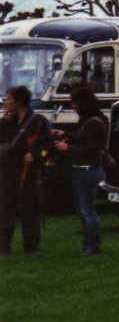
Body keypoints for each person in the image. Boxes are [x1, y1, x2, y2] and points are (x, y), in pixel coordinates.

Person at [52, 85, 107, 255]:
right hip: (85, 169)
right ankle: (88, 245)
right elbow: (81, 138)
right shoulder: (92, 119)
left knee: (87, 210)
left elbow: (90, 148)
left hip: (88, 169)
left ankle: (92, 246)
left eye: (74, 102)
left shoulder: (93, 122)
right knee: (85, 209)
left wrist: (67, 148)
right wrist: (65, 134)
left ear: (82, 103)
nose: (72, 106)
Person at [0, 85, 54, 254]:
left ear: (19, 101)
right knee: (6, 208)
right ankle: (3, 245)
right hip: (8, 170)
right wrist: (3, 121)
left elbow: (48, 145)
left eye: (9, 99)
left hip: (28, 171)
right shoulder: (9, 120)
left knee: (29, 209)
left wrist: (35, 155)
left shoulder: (38, 121)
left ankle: (31, 246)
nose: (6, 102)